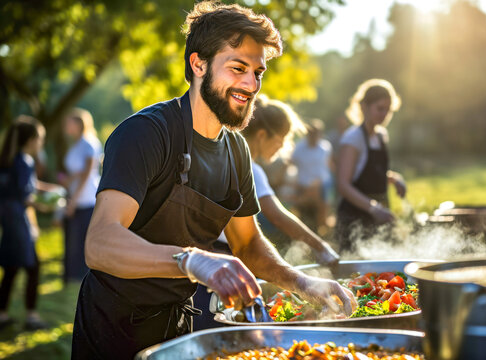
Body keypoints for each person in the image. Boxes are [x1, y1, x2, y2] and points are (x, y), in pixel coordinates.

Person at [71, 2, 356, 359]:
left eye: (258, 72)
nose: (251, 85)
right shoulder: (146, 134)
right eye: (238, 68)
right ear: (198, 64)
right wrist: (193, 261)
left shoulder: (237, 151)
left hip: (180, 328)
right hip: (113, 328)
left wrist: (301, 282)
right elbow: (99, 244)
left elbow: (248, 245)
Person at [243, 96, 339, 265]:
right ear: (261, 135)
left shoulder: (236, 161)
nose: (282, 147)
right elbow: (278, 217)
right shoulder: (250, 169)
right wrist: (321, 247)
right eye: (281, 140)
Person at [336, 79, 407, 252]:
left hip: (380, 215)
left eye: (388, 110)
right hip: (355, 219)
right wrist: (373, 208)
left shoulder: (381, 135)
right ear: (364, 107)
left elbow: (373, 171)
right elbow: (343, 185)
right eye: (380, 108)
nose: (384, 115)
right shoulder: (352, 138)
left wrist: (393, 179)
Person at [0, 116, 49, 331]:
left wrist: (50, 189)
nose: (41, 143)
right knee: (33, 267)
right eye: (40, 139)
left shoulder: (10, 159)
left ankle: (1, 314)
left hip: (8, 220)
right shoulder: (25, 162)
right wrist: (45, 206)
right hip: (18, 220)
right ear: (30, 140)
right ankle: (31, 317)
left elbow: (29, 186)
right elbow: (25, 196)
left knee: (11, 268)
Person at [60, 108, 102, 283]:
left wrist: (74, 200)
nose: (65, 125)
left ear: (78, 124)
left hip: (86, 200)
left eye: (69, 122)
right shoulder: (76, 144)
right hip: (74, 199)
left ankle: (82, 277)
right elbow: (79, 171)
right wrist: (69, 180)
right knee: (71, 239)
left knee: (82, 240)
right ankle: (70, 276)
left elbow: (87, 172)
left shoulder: (89, 143)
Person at [291, 119, 333, 233]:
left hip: (321, 183)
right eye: (312, 133)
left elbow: (327, 165)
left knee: (322, 200)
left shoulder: (325, 147)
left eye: (316, 134)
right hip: (302, 184)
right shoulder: (299, 148)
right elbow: (291, 163)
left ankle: (322, 226)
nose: (314, 136)